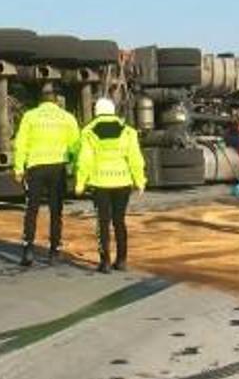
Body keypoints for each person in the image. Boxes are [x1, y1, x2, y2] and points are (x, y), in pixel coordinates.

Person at [74, 97, 147, 273]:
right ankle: (121, 260)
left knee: (103, 222)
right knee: (119, 221)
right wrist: (140, 180)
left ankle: (105, 262)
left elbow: (85, 160)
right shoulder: (128, 131)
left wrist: (80, 182)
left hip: (100, 183)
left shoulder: (88, 132)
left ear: (96, 111)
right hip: (122, 182)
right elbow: (135, 158)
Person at [13, 82, 81, 266]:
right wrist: (75, 170)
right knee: (55, 210)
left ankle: (28, 249)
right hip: (57, 168)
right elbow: (76, 146)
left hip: (35, 167)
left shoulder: (30, 117)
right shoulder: (67, 118)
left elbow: (21, 144)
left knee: (31, 209)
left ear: (41, 99)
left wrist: (19, 168)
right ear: (56, 99)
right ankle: (54, 250)